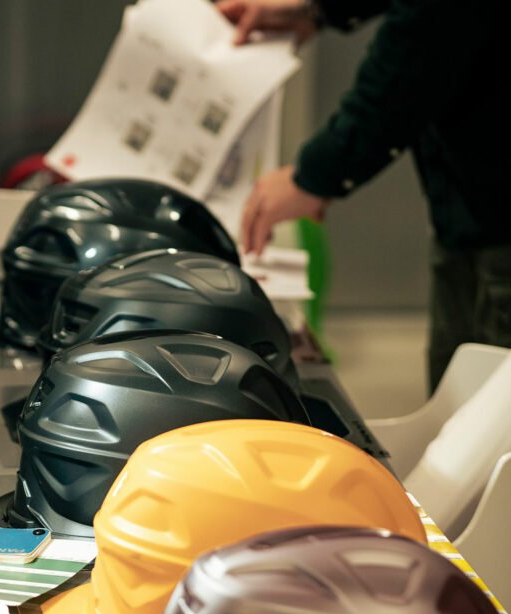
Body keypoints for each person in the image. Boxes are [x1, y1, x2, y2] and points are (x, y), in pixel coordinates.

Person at [217, 0, 511, 390]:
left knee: (489, 425)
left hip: (497, 208)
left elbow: (431, 29)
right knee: (461, 418)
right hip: (470, 202)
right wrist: (317, 8)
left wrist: (319, 173)